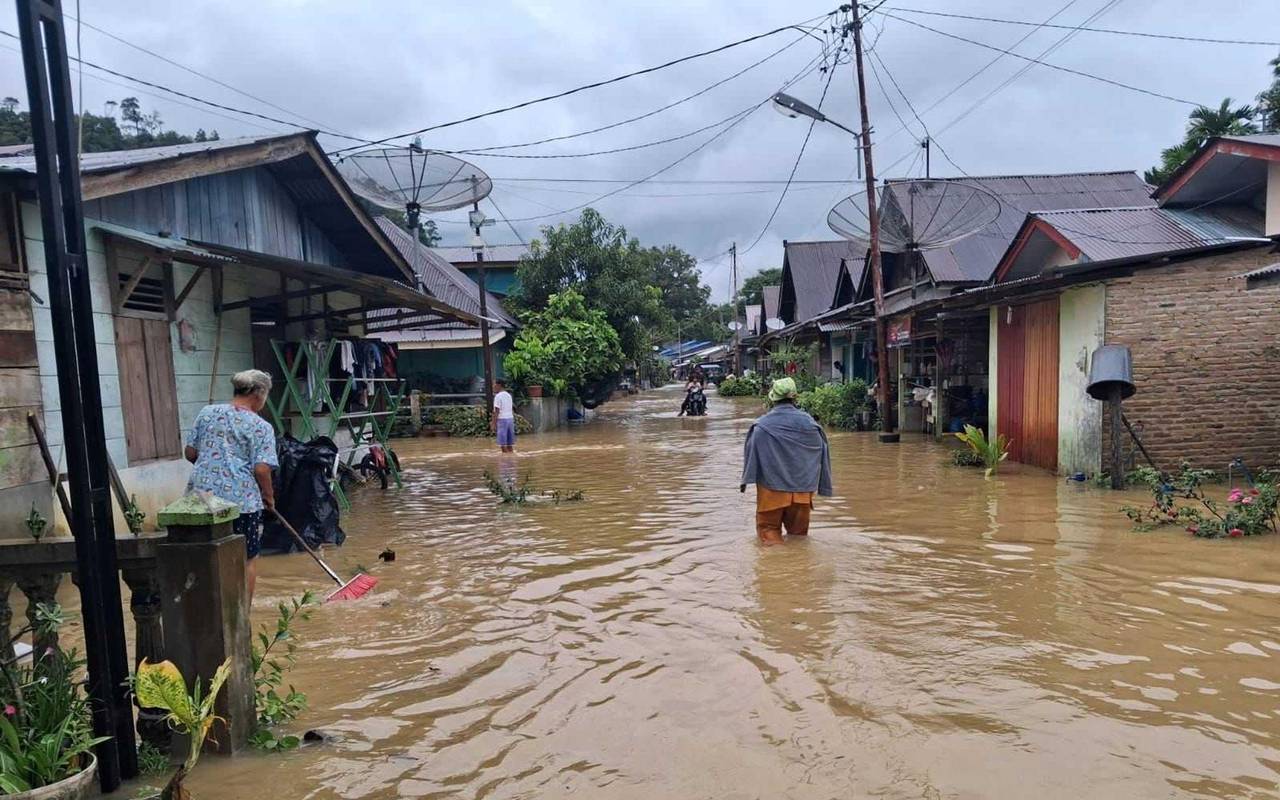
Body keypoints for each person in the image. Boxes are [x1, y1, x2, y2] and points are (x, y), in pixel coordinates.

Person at [184, 369, 278, 600]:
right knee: (246, 559)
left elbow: (190, 452)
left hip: (200, 501)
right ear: (259, 394)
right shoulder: (261, 426)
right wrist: (269, 496)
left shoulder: (206, 413)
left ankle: (204, 610)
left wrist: (211, 466)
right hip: (242, 504)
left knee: (202, 557)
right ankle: (241, 617)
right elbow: (261, 468)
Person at [739, 377, 833, 545]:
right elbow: (822, 457)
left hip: (771, 492)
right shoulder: (812, 426)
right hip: (802, 493)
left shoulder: (761, 426)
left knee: (769, 533)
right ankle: (800, 569)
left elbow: (751, 458)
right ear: (795, 397)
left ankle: (779, 570)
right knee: (799, 539)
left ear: (772, 398)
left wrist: (745, 483)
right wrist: (823, 486)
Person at [492, 378, 516, 453]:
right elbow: (511, 408)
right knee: (510, 445)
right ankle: (511, 459)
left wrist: (494, 423)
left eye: (494, 384)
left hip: (502, 420)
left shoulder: (498, 396)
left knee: (503, 445)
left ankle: (506, 460)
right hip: (510, 419)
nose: (493, 386)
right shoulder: (508, 395)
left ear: (499, 385)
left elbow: (496, 411)